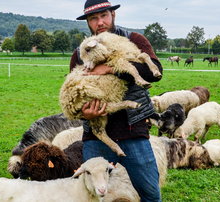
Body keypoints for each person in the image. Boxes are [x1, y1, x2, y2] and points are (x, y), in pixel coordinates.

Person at [69, 0, 163, 201]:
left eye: (104, 15)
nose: (100, 22)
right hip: (96, 136)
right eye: (94, 18)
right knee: (93, 195)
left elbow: (154, 73)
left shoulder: (133, 39)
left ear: (113, 15)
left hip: (133, 129)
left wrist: (111, 69)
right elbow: (74, 92)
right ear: (88, 22)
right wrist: (84, 114)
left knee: (150, 193)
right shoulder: (80, 53)